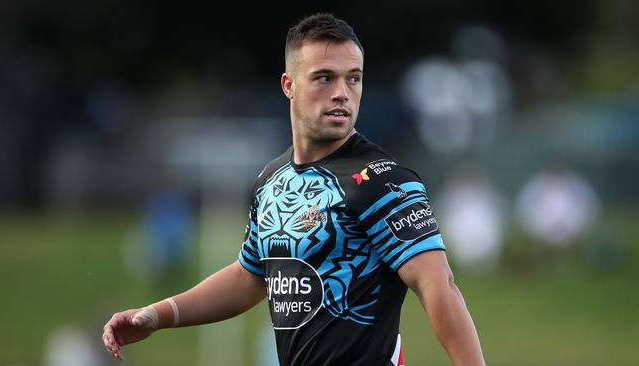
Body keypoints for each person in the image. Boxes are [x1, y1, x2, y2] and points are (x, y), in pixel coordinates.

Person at [102, 13, 485, 365]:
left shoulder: (382, 179)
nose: (342, 93)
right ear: (289, 84)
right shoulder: (271, 180)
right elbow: (248, 277)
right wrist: (157, 315)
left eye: (354, 78)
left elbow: (439, 285)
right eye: (324, 77)